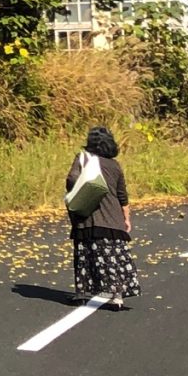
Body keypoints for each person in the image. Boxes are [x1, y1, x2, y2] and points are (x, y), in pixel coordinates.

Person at [66, 125, 139, 306]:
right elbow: (122, 195)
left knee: (84, 255)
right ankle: (117, 295)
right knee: (113, 257)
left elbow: (71, 179)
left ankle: (83, 292)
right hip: (113, 219)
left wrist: (83, 191)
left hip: (87, 217)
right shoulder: (115, 165)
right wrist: (126, 219)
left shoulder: (83, 159)